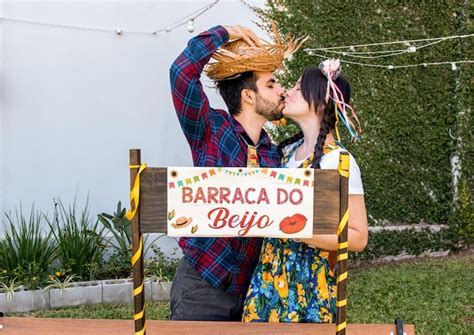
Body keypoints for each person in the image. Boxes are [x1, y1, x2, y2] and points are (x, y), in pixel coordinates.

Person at [169, 24, 306, 321]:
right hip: (204, 284)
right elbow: (181, 72)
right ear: (248, 96)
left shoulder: (275, 154)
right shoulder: (211, 129)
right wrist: (227, 31)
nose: (281, 90)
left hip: (254, 291)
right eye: (271, 84)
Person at [242, 59, 368, 323]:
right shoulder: (284, 154)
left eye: (299, 88)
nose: (288, 92)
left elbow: (357, 237)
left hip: (308, 283)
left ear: (321, 103)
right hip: (267, 276)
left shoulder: (339, 161)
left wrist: (298, 231)